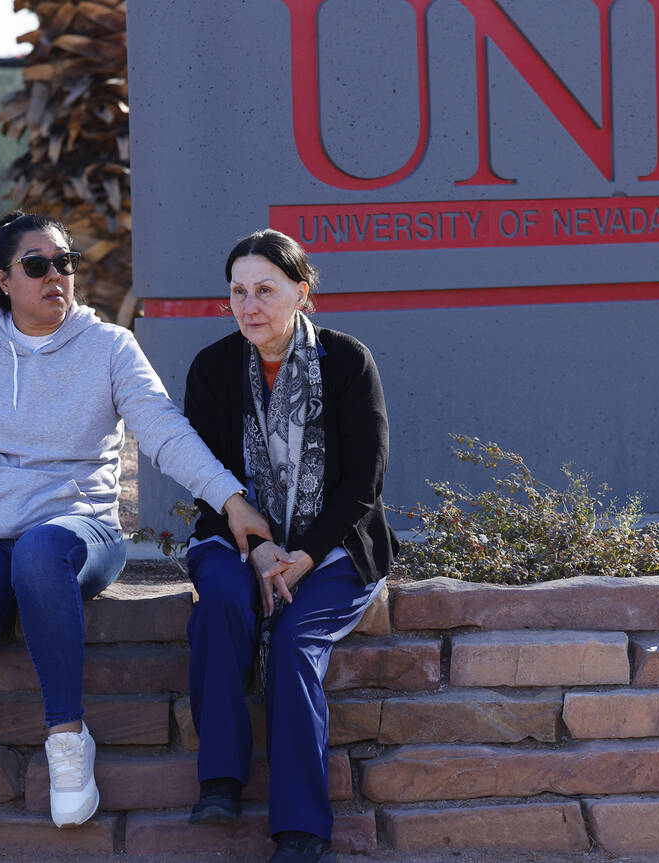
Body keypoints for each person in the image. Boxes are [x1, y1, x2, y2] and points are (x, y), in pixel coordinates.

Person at [0, 211, 271, 863]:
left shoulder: (110, 346)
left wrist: (230, 498)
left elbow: (165, 432)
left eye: (66, 262)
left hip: (78, 530)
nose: (56, 275)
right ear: (5, 278)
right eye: (38, 264)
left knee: (38, 551)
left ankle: (67, 736)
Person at [182, 229, 396, 863]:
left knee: (299, 639)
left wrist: (302, 555)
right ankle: (220, 780)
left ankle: (302, 831)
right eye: (238, 292)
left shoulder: (347, 361)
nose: (250, 306)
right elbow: (206, 480)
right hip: (237, 538)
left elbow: (366, 482)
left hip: (333, 547)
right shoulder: (214, 367)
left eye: (266, 290)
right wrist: (257, 550)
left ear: (302, 293)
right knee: (221, 602)